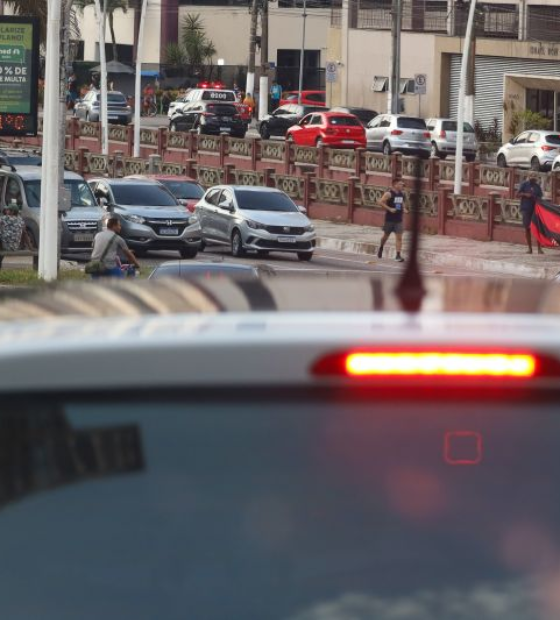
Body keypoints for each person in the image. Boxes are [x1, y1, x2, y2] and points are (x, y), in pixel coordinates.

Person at [377, 178, 408, 262]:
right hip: (390, 219)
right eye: (401, 184)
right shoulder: (389, 194)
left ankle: (398, 255)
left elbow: (402, 202)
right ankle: (381, 247)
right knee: (385, 236)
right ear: (395, 185)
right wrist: (389, 209)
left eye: (402, 184)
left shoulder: (402, 193)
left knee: (399, 238)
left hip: (399, 219)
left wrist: (404, 208)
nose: (402, 186)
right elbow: (380, 202)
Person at [517, 171, 544, 254]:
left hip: (535, 210)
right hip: (526, 209)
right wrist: (525, 194)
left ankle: (539, 248)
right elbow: (517, 194)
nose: (533, 177)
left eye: (534, 176)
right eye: (531, 175)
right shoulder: (524, 184)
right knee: (527, 228)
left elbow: (540, 197)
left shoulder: (537, 187)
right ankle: (530, 248)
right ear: (528, 176)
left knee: (537, 228)